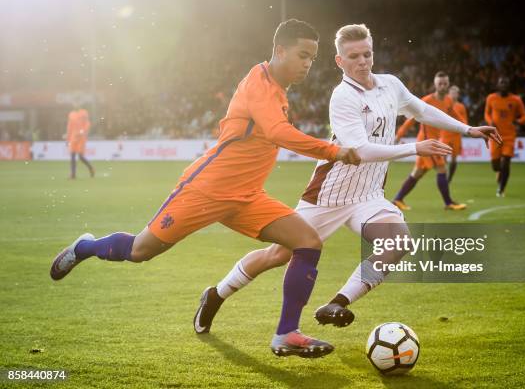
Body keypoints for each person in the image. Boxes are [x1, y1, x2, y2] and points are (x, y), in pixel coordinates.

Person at [50, 19, 360, 357]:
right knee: (140, 250)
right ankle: (85, 247)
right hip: (206, 190)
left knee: (307, 242)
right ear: (280, 50)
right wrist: (333, 150)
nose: (307, 65)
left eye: (313, 58)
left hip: (247, 197)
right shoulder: (259, 82)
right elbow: (277, 133)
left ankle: (286, 333)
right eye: (303, 55)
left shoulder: (279, 92)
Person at [193, 24, 501, 355]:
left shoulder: (390, 85)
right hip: (329, 193)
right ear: (339, 61)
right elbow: (360, 150)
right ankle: (217, 294)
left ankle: (336, 303)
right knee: (279, 254)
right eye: (354, 56)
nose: (363, 61)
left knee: (398, 242)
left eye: (367, 54)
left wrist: (467, 129)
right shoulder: (342, 97)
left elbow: (421, 110)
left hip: (368, 196)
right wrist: (413, 148)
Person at [392, 72, 467, 210]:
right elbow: (411, 120)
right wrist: (399, 135)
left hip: (434, 140)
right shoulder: (426, 101)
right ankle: (448, 203)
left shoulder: (449, 100)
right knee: (442, 168)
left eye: (445, 83)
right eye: (440, 84)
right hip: (427, 142)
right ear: (435, 84)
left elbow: (454, 116)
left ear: (448, 84)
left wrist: (469, 128)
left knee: (417, 173)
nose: (443, 86)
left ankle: (397, 199)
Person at [484, 76, 525, 196]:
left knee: (506, 162)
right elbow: (486, 114)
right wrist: (490, 122)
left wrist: (518, 122)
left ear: (509, 85)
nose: (503, 85)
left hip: (509, 136)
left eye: (505, 83)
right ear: (497, 85)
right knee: (495, 166)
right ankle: (499, 173)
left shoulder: (516, 99)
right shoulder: (491, 98)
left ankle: (501, 189)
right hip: (495, 136)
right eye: (501, 83)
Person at [442, 85, 469, 183]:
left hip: (456, 136)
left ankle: (449, 179)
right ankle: (443, 177)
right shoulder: (444, 104)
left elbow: (464, 121)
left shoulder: (461, 106)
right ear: (448, 94)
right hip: (445, 135)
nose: (454, 95)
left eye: (456, 93)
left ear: (458, 95)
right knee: (443, 157)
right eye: (452, 93)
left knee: (454, 159)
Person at [66, 106, 94, 179]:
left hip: (81, 138)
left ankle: (91, 168)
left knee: (81, 157)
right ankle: (73, 174)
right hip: (73, 138)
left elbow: (87, 123)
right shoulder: (71, 114)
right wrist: (68, 138)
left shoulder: (83, 113)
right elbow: (69, 127)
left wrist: (83, 131)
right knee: (72, 155)